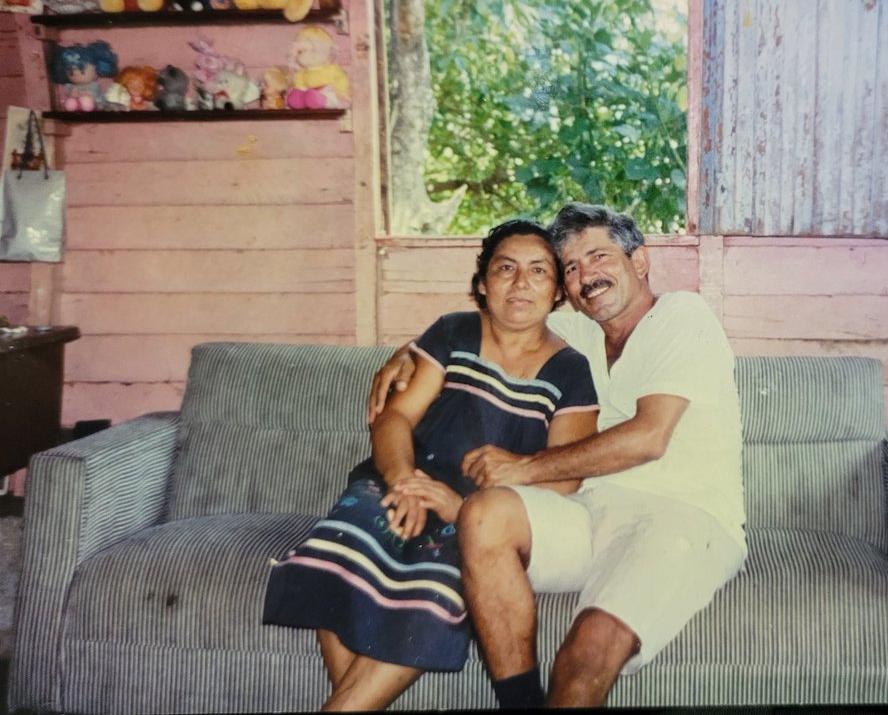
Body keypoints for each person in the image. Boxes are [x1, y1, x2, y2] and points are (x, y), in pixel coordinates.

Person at [369, 203, 746, 708]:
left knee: (584, 654)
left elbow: (648, 437)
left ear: (640, 261)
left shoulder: (682, 317)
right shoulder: (582, 337)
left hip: (680, 521)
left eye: (598, 256)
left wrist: (525, 467)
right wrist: (409, 349)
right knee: (485, 512)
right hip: (589, 515)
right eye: (571, 267)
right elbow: (496, 323)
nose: (586, 275)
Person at [264, 219, 599, 712]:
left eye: (538, 271)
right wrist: (403, 481)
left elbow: (563, 477)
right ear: (483, 284)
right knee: (342, 551)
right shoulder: (453, 332)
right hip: (397, 486)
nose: (521, 283)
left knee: (442, 589)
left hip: (481, 519)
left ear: (556, 293)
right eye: (505, 269)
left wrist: (460, 506)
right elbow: (395, 417)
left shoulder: (571, 370)